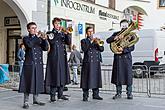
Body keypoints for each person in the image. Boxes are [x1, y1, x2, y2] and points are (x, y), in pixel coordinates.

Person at [18, 22, 49, 109]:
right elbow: (30, 45)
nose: (35, 29)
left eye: (35, 28)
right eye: (32, 28)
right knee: (27, 83)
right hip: (29, 64)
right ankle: (26, 102)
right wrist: (37, 37)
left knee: (37, 82)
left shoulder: (39, 39)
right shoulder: (26, 38)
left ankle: (36, 100)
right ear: (28, 29)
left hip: (38, 64)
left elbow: (46, 48)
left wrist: (44, 39)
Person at [106, 19, 135, 100]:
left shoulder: (131, 35)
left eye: (126, 25)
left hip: (126, 58)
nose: (124, 27)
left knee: (128, 77)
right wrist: (116, 37)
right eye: (123, 25)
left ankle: (129, 93)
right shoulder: (116, 33)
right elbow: (108, 40)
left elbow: (132, 47)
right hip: (118, 58)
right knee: (118, 77)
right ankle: (118, 93)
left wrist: (124, 50)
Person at [45, 17, 71, 102]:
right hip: (54, 57)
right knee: (54, 76)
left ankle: (61, 94)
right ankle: (52, 96)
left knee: (62, 75)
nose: (58, 25)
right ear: (53, 24)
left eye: (59, 24)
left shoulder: (62, 33)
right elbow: (52, 42)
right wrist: (59, 33)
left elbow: (68, 42)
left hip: (62, 57)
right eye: (56, 23)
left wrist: (67, 34)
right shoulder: (50, 33)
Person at [80, 27, 104, 101]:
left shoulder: (97, 40)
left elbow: (102, 49)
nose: (90, 33)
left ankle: (96, 94)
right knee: (86, 79)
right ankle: (85, 95)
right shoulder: (83, 41)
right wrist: (91, 42)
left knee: (96, 78)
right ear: (86, 33)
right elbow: (85, 49)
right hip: (88, 62)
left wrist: (98, 43)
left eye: (92, 31)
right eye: (89, 32)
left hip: (96, 63)